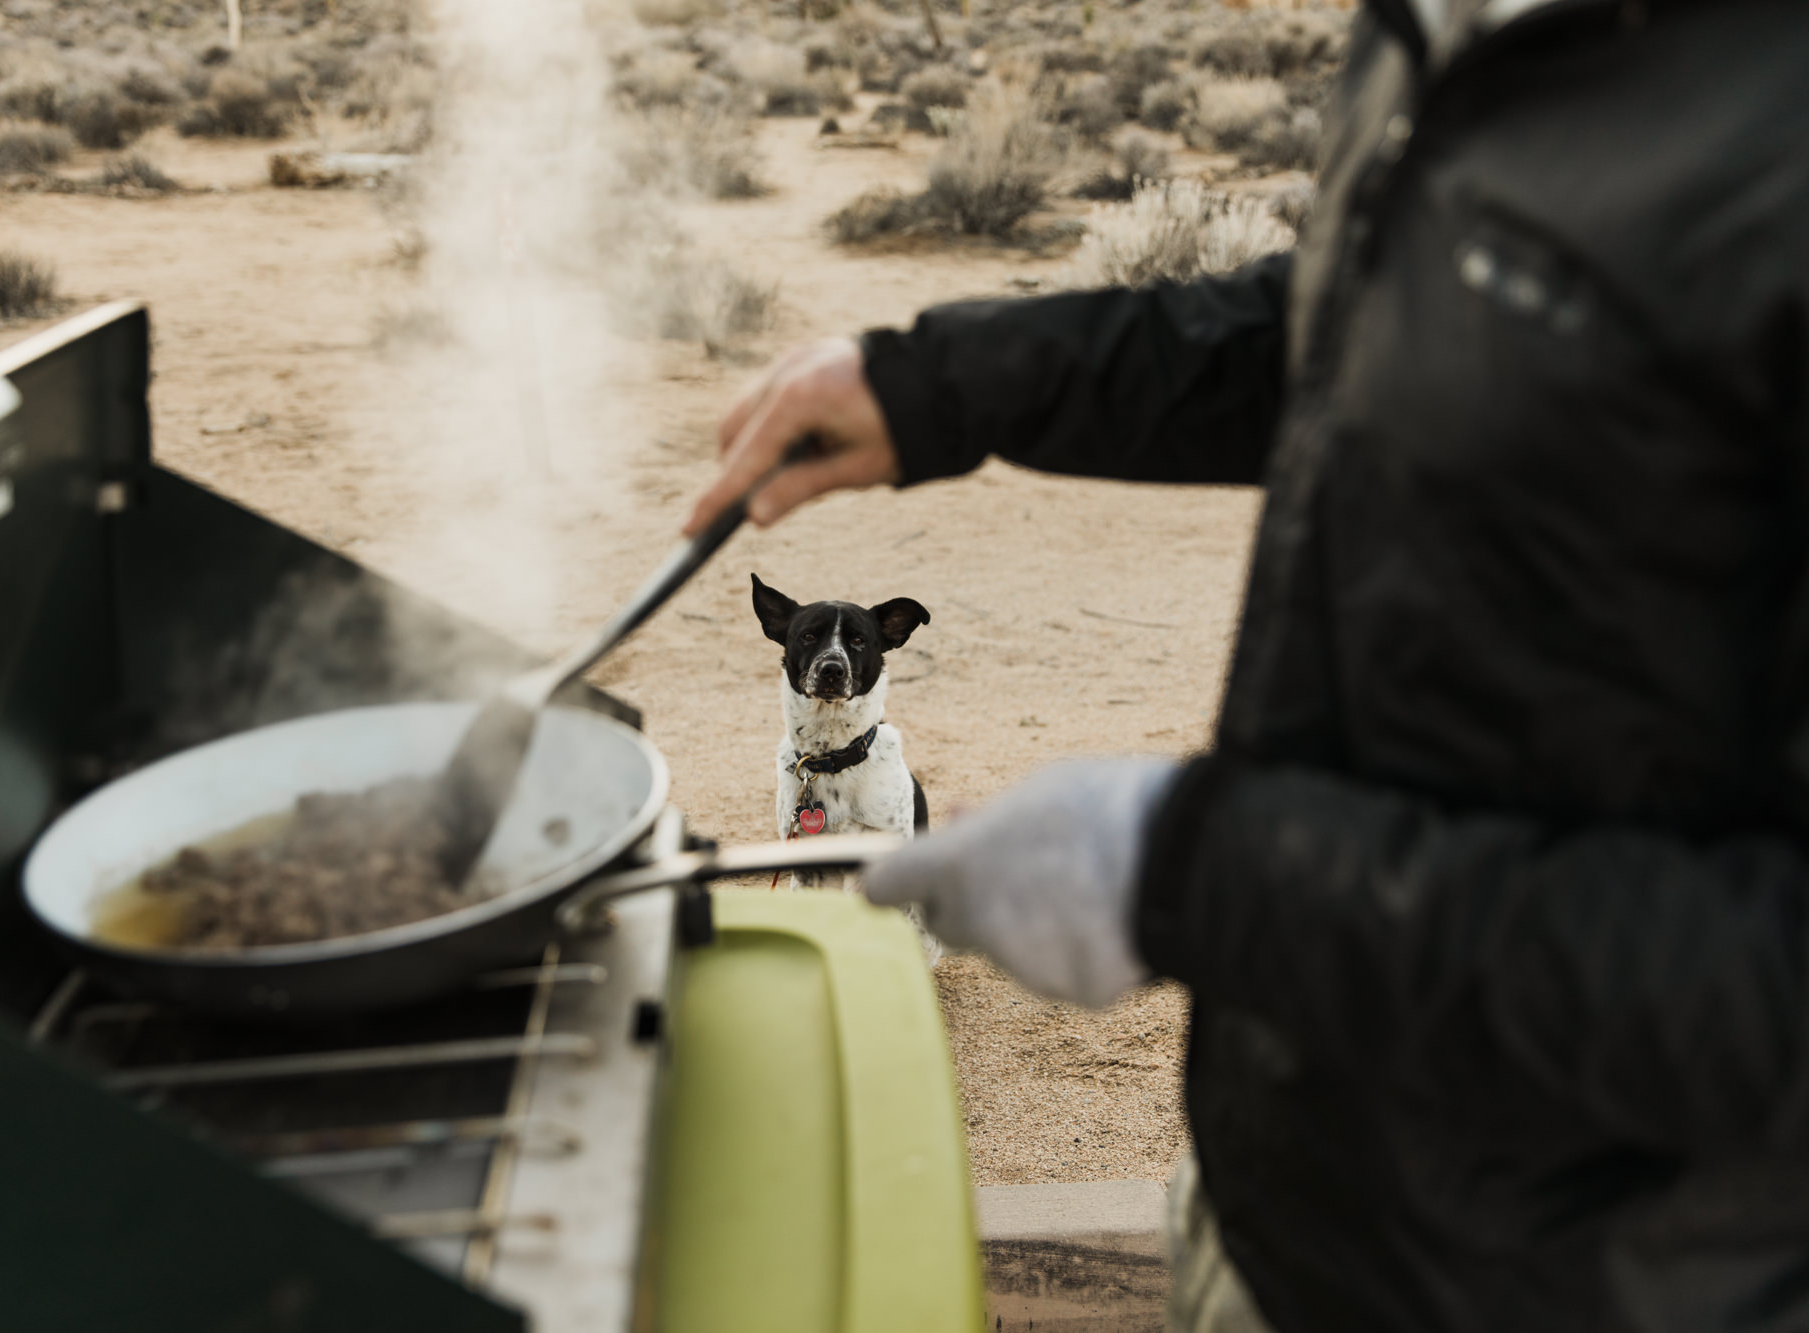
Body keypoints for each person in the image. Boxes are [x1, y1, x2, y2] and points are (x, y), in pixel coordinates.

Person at [683, 2, 1809, 1329]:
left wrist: (1202, 872)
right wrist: (946, 384)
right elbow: (1377, 325)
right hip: (1295, 1198)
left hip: (1612, 1275)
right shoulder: (1441, 32)